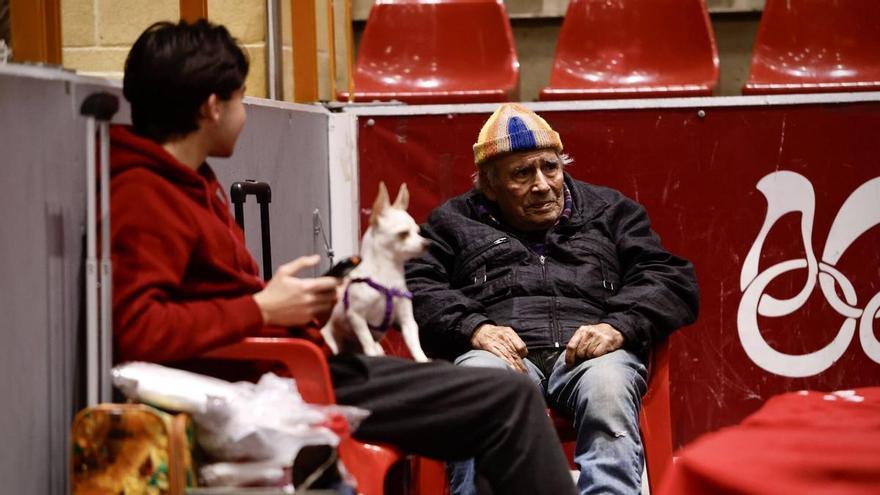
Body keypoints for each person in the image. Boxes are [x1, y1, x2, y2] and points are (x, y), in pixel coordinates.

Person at [109, 20, 576, 495]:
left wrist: (305, 308)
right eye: (240, 99)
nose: (243, 113)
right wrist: (264, 309)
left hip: (300, 365)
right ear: (212, 107)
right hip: (273, 383)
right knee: (508, 397)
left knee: (495, 401)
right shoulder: (145, 195)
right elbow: (138, 329)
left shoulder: (190, 181)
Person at [406, 103, 700, 495]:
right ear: (489, 186)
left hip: (590, 353)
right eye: (522, 174)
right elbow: (414, 283)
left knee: (608, 388)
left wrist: (618, 326)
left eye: (550, 167)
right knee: (482, 389)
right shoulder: (452, 223)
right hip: (499, 356)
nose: (542, 184)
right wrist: (472, 327)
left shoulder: (610, 211)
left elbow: (669, 278)